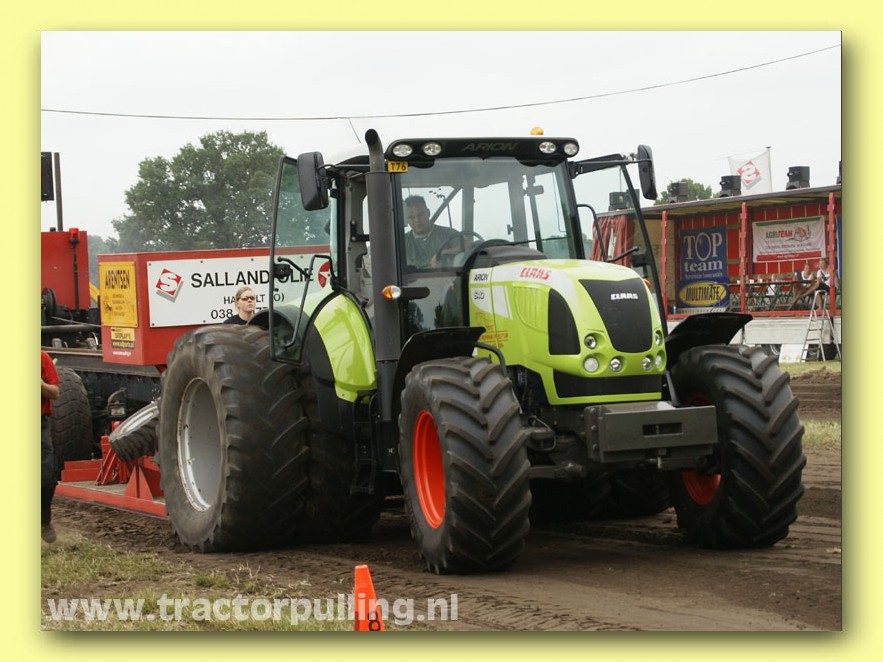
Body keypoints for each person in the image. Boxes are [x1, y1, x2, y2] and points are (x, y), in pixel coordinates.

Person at [403, 195, 462, 268]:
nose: (417, 220)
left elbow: (468, 246)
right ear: (406, 219)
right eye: (411, 217)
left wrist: (443, 253)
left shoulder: (448, 234)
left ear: (428, 213)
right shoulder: (402, 242)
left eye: (420, 215)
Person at [41, 350, 60, 543]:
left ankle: (44, 521)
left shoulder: (42, 358)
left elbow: (55, 392)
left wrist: (39, 384)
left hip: (39, 424)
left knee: (46, 478)